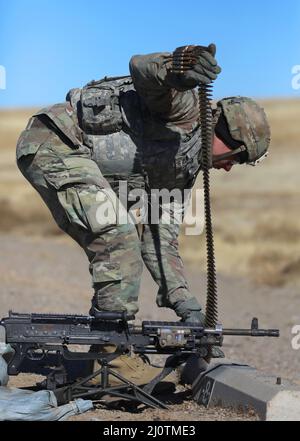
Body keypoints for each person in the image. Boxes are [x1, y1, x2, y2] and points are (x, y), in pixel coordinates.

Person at [16, 44, 270, 384]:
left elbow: (160, 242)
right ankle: (110, 361)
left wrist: (188, 309)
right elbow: (143, 70)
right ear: (224, 132)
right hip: (55, 144)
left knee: (128, 236)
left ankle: (107, 348)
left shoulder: (183, 171)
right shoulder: (184, 111)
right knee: (118, 233)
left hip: (75, 158)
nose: (228, 168)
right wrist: (179, 65)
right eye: (236, 158)